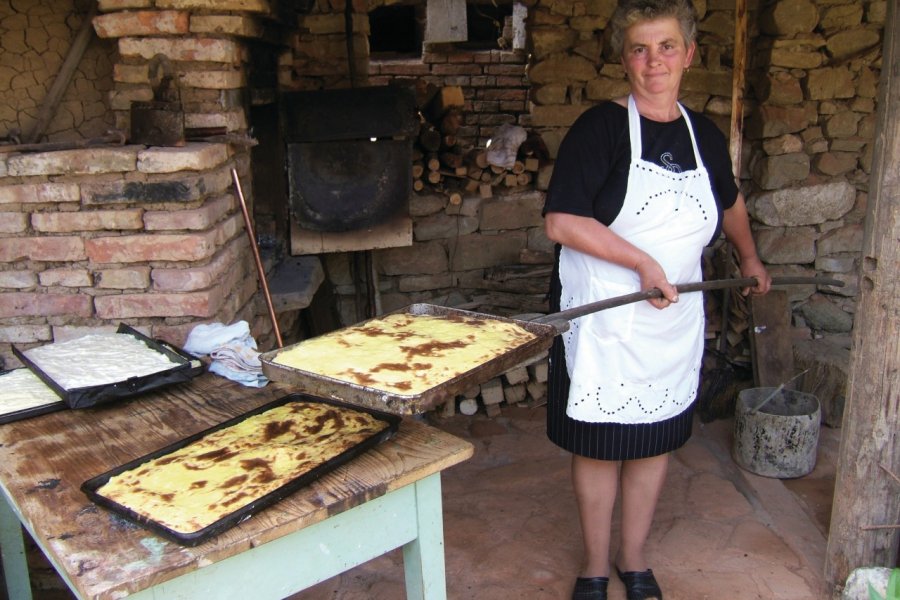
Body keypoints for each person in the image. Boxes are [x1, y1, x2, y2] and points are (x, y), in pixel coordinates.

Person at [542, 1, 771, 599]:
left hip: (673, 317)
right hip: (604, 315)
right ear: (624, 59)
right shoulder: (599, 129)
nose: (654, 61)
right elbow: (563, 222)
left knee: (653, 439)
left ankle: (633, 560)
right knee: (598, 444)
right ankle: (594, 567)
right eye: (640, 48)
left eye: (667, 46)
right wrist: (642, 261)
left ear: (689, 54)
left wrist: (748, 257)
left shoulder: (705, 136)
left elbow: (729, 202)